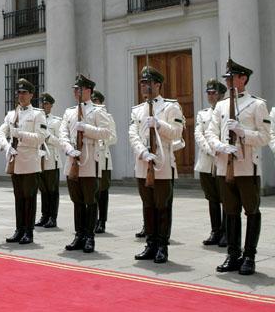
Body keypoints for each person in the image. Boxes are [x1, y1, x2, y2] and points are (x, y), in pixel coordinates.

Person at [205, 59, 270, 276]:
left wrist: (243, 133)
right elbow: (210, 132)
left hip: (246, 167)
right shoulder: (222, 105)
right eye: (227, 78)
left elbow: (265, 137)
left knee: (251, 211)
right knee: (231, 211)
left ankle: (249, 256)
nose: (229, 81)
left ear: (243, 79)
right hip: (225, 166)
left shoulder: (257, 104)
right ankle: (233, 254)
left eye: (233, 77)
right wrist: (221, 146)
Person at [130, 66, 184, 264]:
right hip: (144, 163)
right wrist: (142, 152)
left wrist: (160, 125)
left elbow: (177, 132)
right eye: (142, 83)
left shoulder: (171, 107)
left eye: (148, 83)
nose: (145, 87)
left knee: (162, 206)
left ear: (158, 84)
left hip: (163, 164)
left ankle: (162, 246)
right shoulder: (137, 110)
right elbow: (133, 134)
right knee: (148, 205)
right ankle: (150, 244)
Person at [60, 76, 110, 253]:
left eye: (79, 89)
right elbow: (63, 133)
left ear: (88, 90)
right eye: (75, 89)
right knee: (77, 201)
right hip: (73, 159)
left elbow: (106, 133)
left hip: (90, 159)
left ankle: (89, 236)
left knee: (90, 200)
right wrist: (68, 149)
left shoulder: (98, 111)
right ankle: (79, 235)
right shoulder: (69, 112)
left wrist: (87, 129)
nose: (75, 92)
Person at [0, 78, 47, 245]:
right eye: (19, 92)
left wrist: (21, 134)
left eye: (25, 92)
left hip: (30, 162)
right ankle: (19, 229)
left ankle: (28, 231)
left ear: (31, 95)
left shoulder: (38, 114)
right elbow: (0, 133)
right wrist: (6, 146)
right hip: (15, 161)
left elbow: (40, 137)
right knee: (18, 197)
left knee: (29, 197)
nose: (21, 95)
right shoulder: (11, 114)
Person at [195, 79, 228, 247]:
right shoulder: (203, 114)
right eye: (208, 92)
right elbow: (199, 135)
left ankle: (227, 232)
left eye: (213, 92)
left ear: (222, 94)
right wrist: (212, 149)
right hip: (207, 161)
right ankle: (215, 231)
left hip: (223, 160)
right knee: (212, 198)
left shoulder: (228, 112)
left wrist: (219, 149)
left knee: (227, 198)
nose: (210, 95)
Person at [92, 90, 117, 234]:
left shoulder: (107, 117)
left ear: (101, 102)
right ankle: (92, 219)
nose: (94, 104)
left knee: (102, 191)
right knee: (92, 191)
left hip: (103, 158)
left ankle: (102, 221)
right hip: (90, 157)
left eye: (96, 101)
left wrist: (100, 138)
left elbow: (113, 138)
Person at [36, 93, 63, 229]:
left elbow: (61, 142)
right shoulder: (36, 119)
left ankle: (53, 217)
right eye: (42, 103)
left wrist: (48, 137)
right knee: (43, 189)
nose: (43, 106)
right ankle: (44, 215)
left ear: (51, 106)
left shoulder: (56, 121)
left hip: (51, 158)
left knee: (52, 190)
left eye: (46, 103)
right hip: (38, 158)